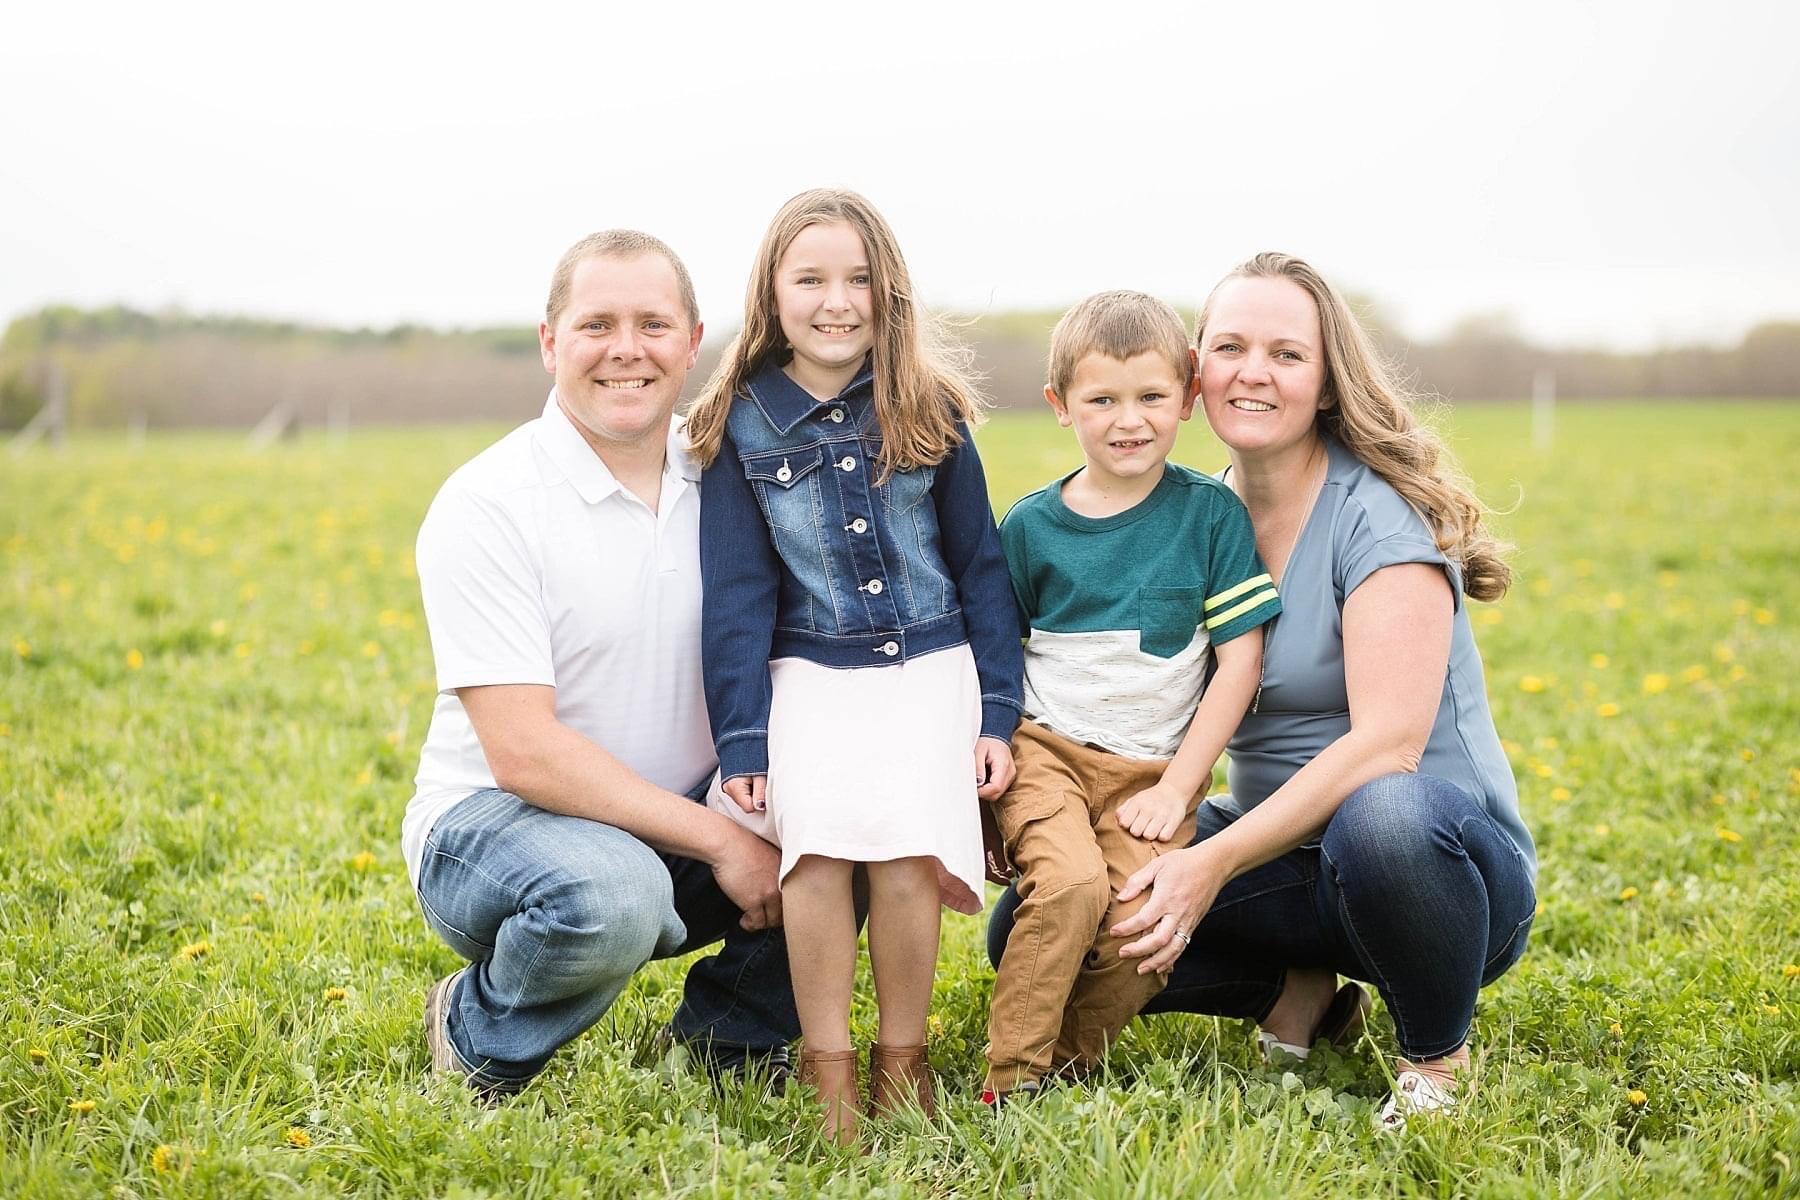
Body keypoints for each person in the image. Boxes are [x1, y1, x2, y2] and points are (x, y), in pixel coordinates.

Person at [988, 251, 1537, 1129]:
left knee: (1385, 816)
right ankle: (1299, 995)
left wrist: (1206, 864)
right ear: (1196, 370)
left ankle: (1436, 1062)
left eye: (1286, 353)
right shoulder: (1194, 518)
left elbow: (1389, 745)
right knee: (1039, 918)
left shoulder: (1379, 517)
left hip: (1439, 875)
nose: (1254, 371)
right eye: (1232, 346)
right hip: (1288, 861)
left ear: (1325, 383)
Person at [406, 230, 798, 1100]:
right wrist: (719, 840)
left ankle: (729, 1044)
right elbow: (524, 754)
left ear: (693, 343)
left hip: (691, 811)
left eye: (653, 324)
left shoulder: (736, 473)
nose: (627, 349)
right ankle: (476, 1034)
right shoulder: (491, 503)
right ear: (551, 343)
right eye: (597, 325)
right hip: (493, 827)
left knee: (849, 818)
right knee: (613, 894)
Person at [685, 188, 1023, 1144]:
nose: (837, 301)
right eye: (811, 280)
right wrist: (742, 734)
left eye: (859, 279)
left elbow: (981, 569)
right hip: (810, 671)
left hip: (929, 663)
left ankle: (901, 1063)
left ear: (890, 293)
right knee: (819, 856)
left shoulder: (930, 407)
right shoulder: (739, 424)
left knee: (911, 856)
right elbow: (739, 599)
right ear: (773, 295)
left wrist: (997, 713)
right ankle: (829, 1068)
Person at [981, 291, 1280, 1104]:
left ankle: (1068, 1068)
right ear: (1060, 407)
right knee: (1071, 889)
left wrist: (1181, 786)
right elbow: (998, 664)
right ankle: (1010, 1081)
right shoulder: (1031, 528)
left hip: (1153, 773)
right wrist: (988, 775)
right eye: (1102, 400)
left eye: (1151, 397)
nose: (1129, 420)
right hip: (1046, 754)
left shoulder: (1210, 515)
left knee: (1139, 931)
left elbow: (1240, 664)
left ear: (1188, 396)